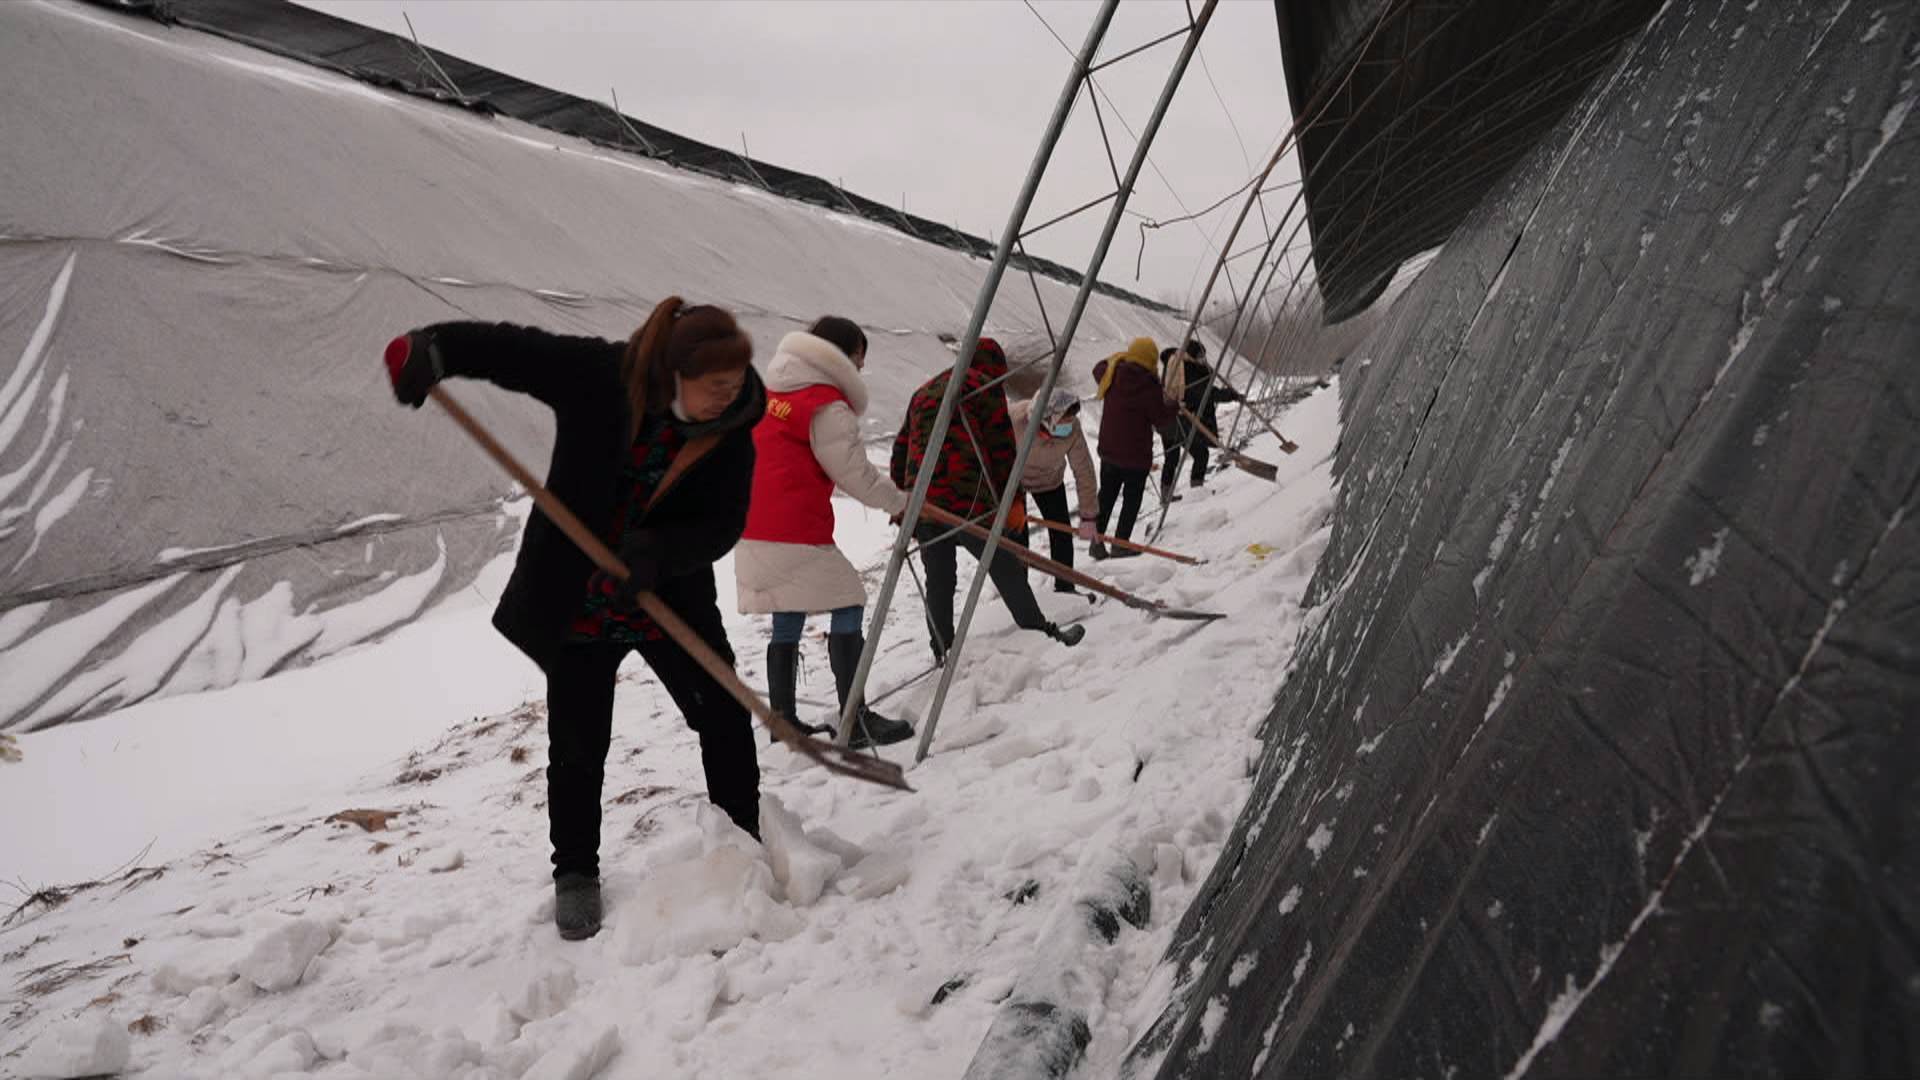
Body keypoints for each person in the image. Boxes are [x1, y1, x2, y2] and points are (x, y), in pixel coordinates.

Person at [385, 297, 765, 942]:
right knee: (579, 743)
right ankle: (576, 874)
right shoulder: (600, 376)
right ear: (674, 374)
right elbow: (514, 348)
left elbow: (724, 522)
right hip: (579, 603)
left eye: (735, 386)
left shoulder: (732, 432)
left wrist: (659, 550)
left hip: (667, 597)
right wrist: (434, 350)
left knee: (723, 711)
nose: (727, 399)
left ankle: (744, 839)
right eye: (715, 388)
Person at [735, 317, 914, 751]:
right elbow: (853, 473)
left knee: (788, 610)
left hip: (753, 524)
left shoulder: (772, 388)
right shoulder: (824, 403)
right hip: (794, 527)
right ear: (841, 354)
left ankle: (783, 721)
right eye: (858, 359)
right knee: (850, 598)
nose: (859, 368)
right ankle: (856, 718)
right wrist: (902, 502)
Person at [891, 337, 1086, 664]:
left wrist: (900, 500)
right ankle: (1040, 630)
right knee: (1004, 564)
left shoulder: (923, 391)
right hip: (968, 498)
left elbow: (900, 449)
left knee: (939, 579)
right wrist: (1011, 501)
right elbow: (1001, 450)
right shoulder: (984, 385)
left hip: (924, 502)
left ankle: (942, 651)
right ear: (993, 365)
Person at [1090, 337, 1178, 558]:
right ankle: (1120, 544)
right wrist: (1174, 406)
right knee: (1131, 499)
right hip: (1135, 457)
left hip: (1109, 451)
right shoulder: (1149, 386)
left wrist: (1120, 357)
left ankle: (1095, 541)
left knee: (1105, 497)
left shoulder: (1112, 373)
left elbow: (1097, 367)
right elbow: (1161, 419)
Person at [1007, 388, 1097, 592]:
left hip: (1049, 480)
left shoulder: (1072, 428)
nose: (1067, 427)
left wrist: (1088, 515)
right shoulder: (1014, 420)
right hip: (1015, 481)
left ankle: (1065, 587)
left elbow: (1084, 470)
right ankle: (1020, 593)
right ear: (1047, 418)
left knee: (1061, 533)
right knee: (1017, 538)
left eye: (1070, 422)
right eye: (1062, 424)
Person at [1159, 339, 1241, 499]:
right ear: (1193, 355)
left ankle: (1165, 494)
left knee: (1171, 457)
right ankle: (1197, 490)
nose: (1203, 359)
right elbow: (1208, 393)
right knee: (1201, 453)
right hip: (1178, 419)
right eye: (1201, 356)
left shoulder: (1173, 364)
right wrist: (1231, 395)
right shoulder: (1187, 369)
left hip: (1165, 418)